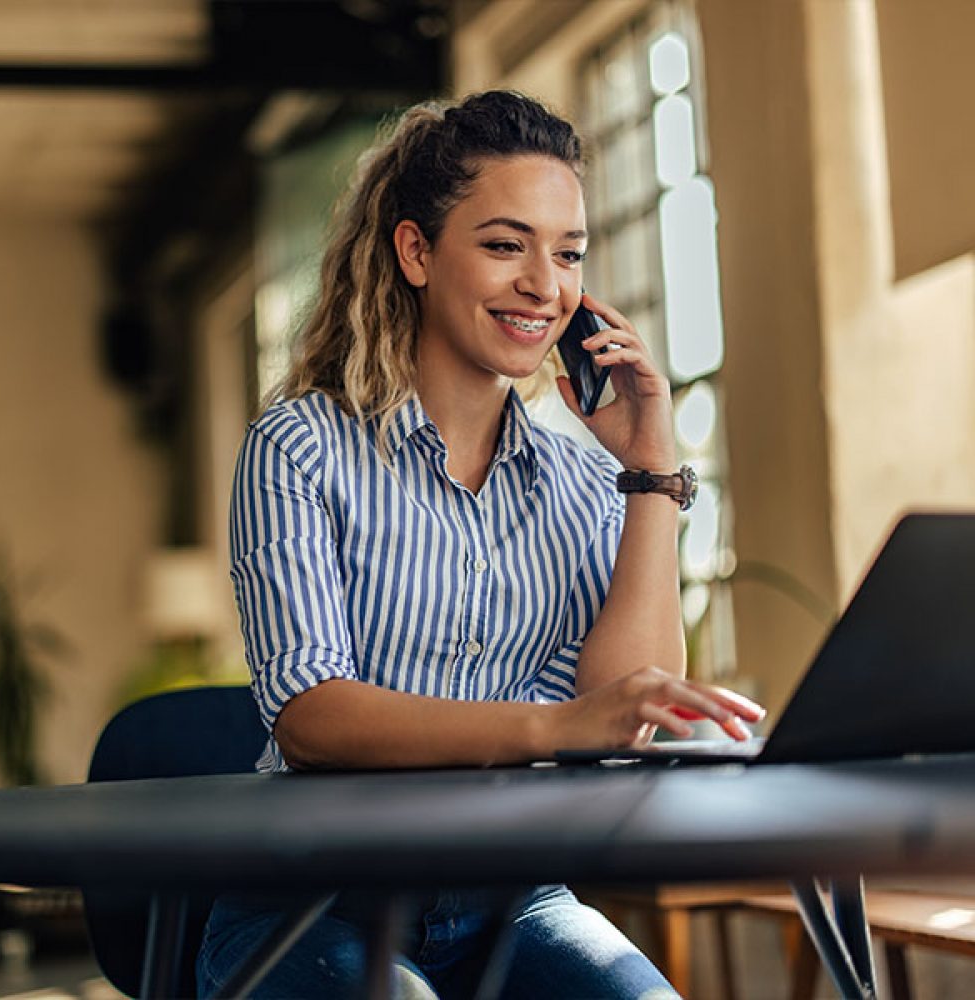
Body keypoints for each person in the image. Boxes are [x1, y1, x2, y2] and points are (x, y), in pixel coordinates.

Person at [197, 90, 764, 1000]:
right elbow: (312, 718)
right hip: (311, 904)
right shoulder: (298, 449)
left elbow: (629, 710)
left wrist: (653, 470)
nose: (547, 285)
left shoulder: (584, 482)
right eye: (507, 245)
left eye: (569, 253)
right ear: (417, 252)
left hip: (512, 901)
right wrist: (547, 729)